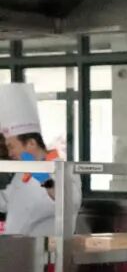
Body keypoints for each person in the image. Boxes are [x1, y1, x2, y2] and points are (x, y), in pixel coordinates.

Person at [0, 83, 81, 237]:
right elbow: (6, 201)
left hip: (49, 254)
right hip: (18, 250)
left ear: (31, 143)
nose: (10, 153)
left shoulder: (60, 168)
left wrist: (45, 180)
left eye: (12, 147)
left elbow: (70, 202)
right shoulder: (22, 172)